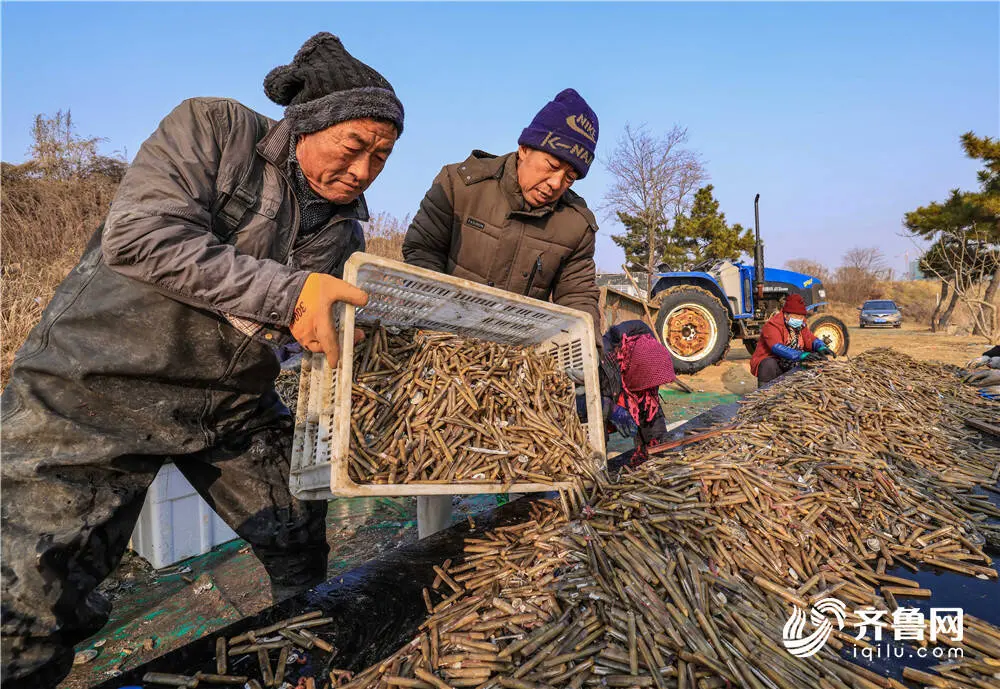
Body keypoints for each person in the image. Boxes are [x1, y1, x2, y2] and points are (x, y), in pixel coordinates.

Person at [0, 32, 403, 688]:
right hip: (93, 390)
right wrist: (291, 291)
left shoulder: (344, 231)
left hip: (226, 406)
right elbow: (139, 238)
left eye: (381, 157)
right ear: (307, 122)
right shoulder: (213, 128)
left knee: (300, 532)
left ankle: (298, 654)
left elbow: (296, 328)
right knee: (25, 610)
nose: (363, 170)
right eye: (354, 146)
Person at [402, 88, 603, 536]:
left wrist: (591, 351)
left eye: (569, 177)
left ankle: (522, 539)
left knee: (525, 453)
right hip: (446, 345)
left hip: (517, 360)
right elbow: (420, 250)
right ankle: (428, 546)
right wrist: (444, 313)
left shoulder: (575, 225)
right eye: (551, 166)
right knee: (435, 457)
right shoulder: (460, 185)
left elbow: (578, 298)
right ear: (525, 148)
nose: (556, 183)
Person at [596, 321, 676, 470]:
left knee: (648, 402)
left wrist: (657, 448)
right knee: (598, 426)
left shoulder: (646, 344)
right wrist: (610, 408)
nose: (651, 390)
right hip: (601, 398)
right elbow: (581, 401)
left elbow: (650, 402)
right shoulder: (602, 360)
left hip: (631, 379)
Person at [749, 294, 833, 386]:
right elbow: (776, 347)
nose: (799, 320)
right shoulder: (772, 325)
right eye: (796, 317)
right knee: (768, 364)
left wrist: (821, 346)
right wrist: (800, 355)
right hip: (778, 364)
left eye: (801, 317)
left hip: (792, 362)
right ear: (786, 315)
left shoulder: (801, 325)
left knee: (819, 358)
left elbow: (810, 338)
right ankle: (764, 394)